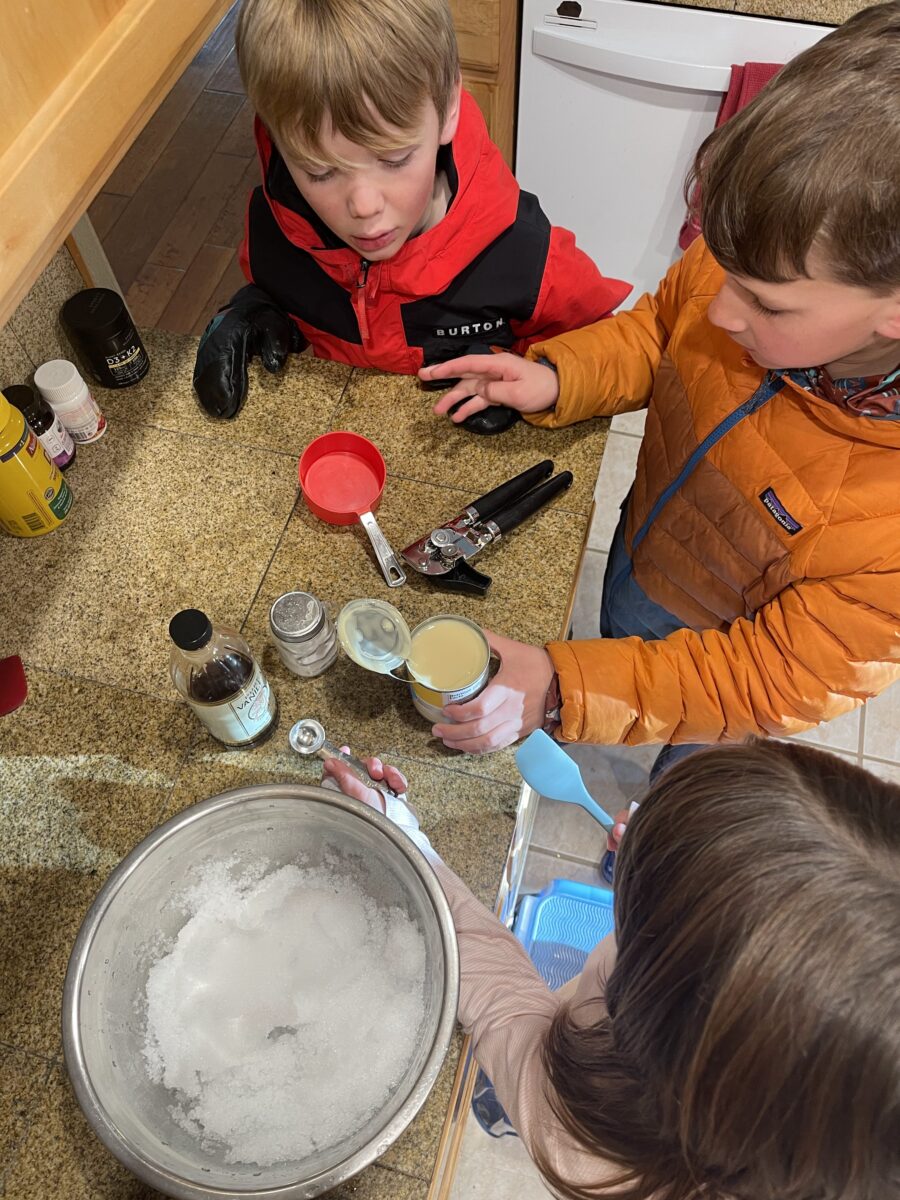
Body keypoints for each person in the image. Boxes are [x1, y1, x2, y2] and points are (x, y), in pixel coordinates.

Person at [418, 2, 900, 758]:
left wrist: (567, 690)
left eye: (768, 303)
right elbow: (664, 332)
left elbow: (764, 679)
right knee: (620, 630)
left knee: (694, 764)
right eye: (719, 264)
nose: (724, 310)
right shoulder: (755, 263)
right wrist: (560, 376)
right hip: (650, 546)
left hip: (724, 662)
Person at [322, 738, 900, 1200]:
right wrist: (668, 857)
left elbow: (509, 1013)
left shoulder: (594, 1156)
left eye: (629, 924)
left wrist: (408, 846)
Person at [191, 0, 629, 434]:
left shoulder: (523, 253)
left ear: (448, 108)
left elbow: (610, 347)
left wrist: (550, 376)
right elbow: (290, 301)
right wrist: (260, 308)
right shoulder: (277, 226)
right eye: (320, 172)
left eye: (395, 159)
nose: (364, 206)